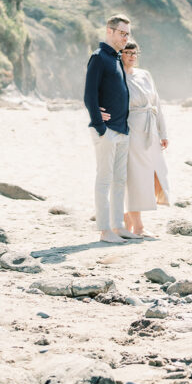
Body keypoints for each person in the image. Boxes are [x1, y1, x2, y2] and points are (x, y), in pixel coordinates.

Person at [83, 14, 138, 243]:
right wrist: (99, 124)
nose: (125, 38)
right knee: (104, 180)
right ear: (110, 31)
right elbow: (89, 95)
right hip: (107, 131)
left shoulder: (116, 58)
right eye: (122, 33)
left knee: (119, 181)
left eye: (128, 34)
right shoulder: (99, 57)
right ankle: (105, 230)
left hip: (122, 130)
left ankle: (118, 226)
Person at [119, 41, 170, 235]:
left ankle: (128, 218)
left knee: (153, 174)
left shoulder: (145, 74)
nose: (132, 56)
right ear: (120, 54)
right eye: (127, 52)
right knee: (135, 177)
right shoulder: (118, 76)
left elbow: (157, 103)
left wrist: (162, 132)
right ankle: (138, 226)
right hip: (131, 130)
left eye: (135, 53)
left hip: (150, 129)